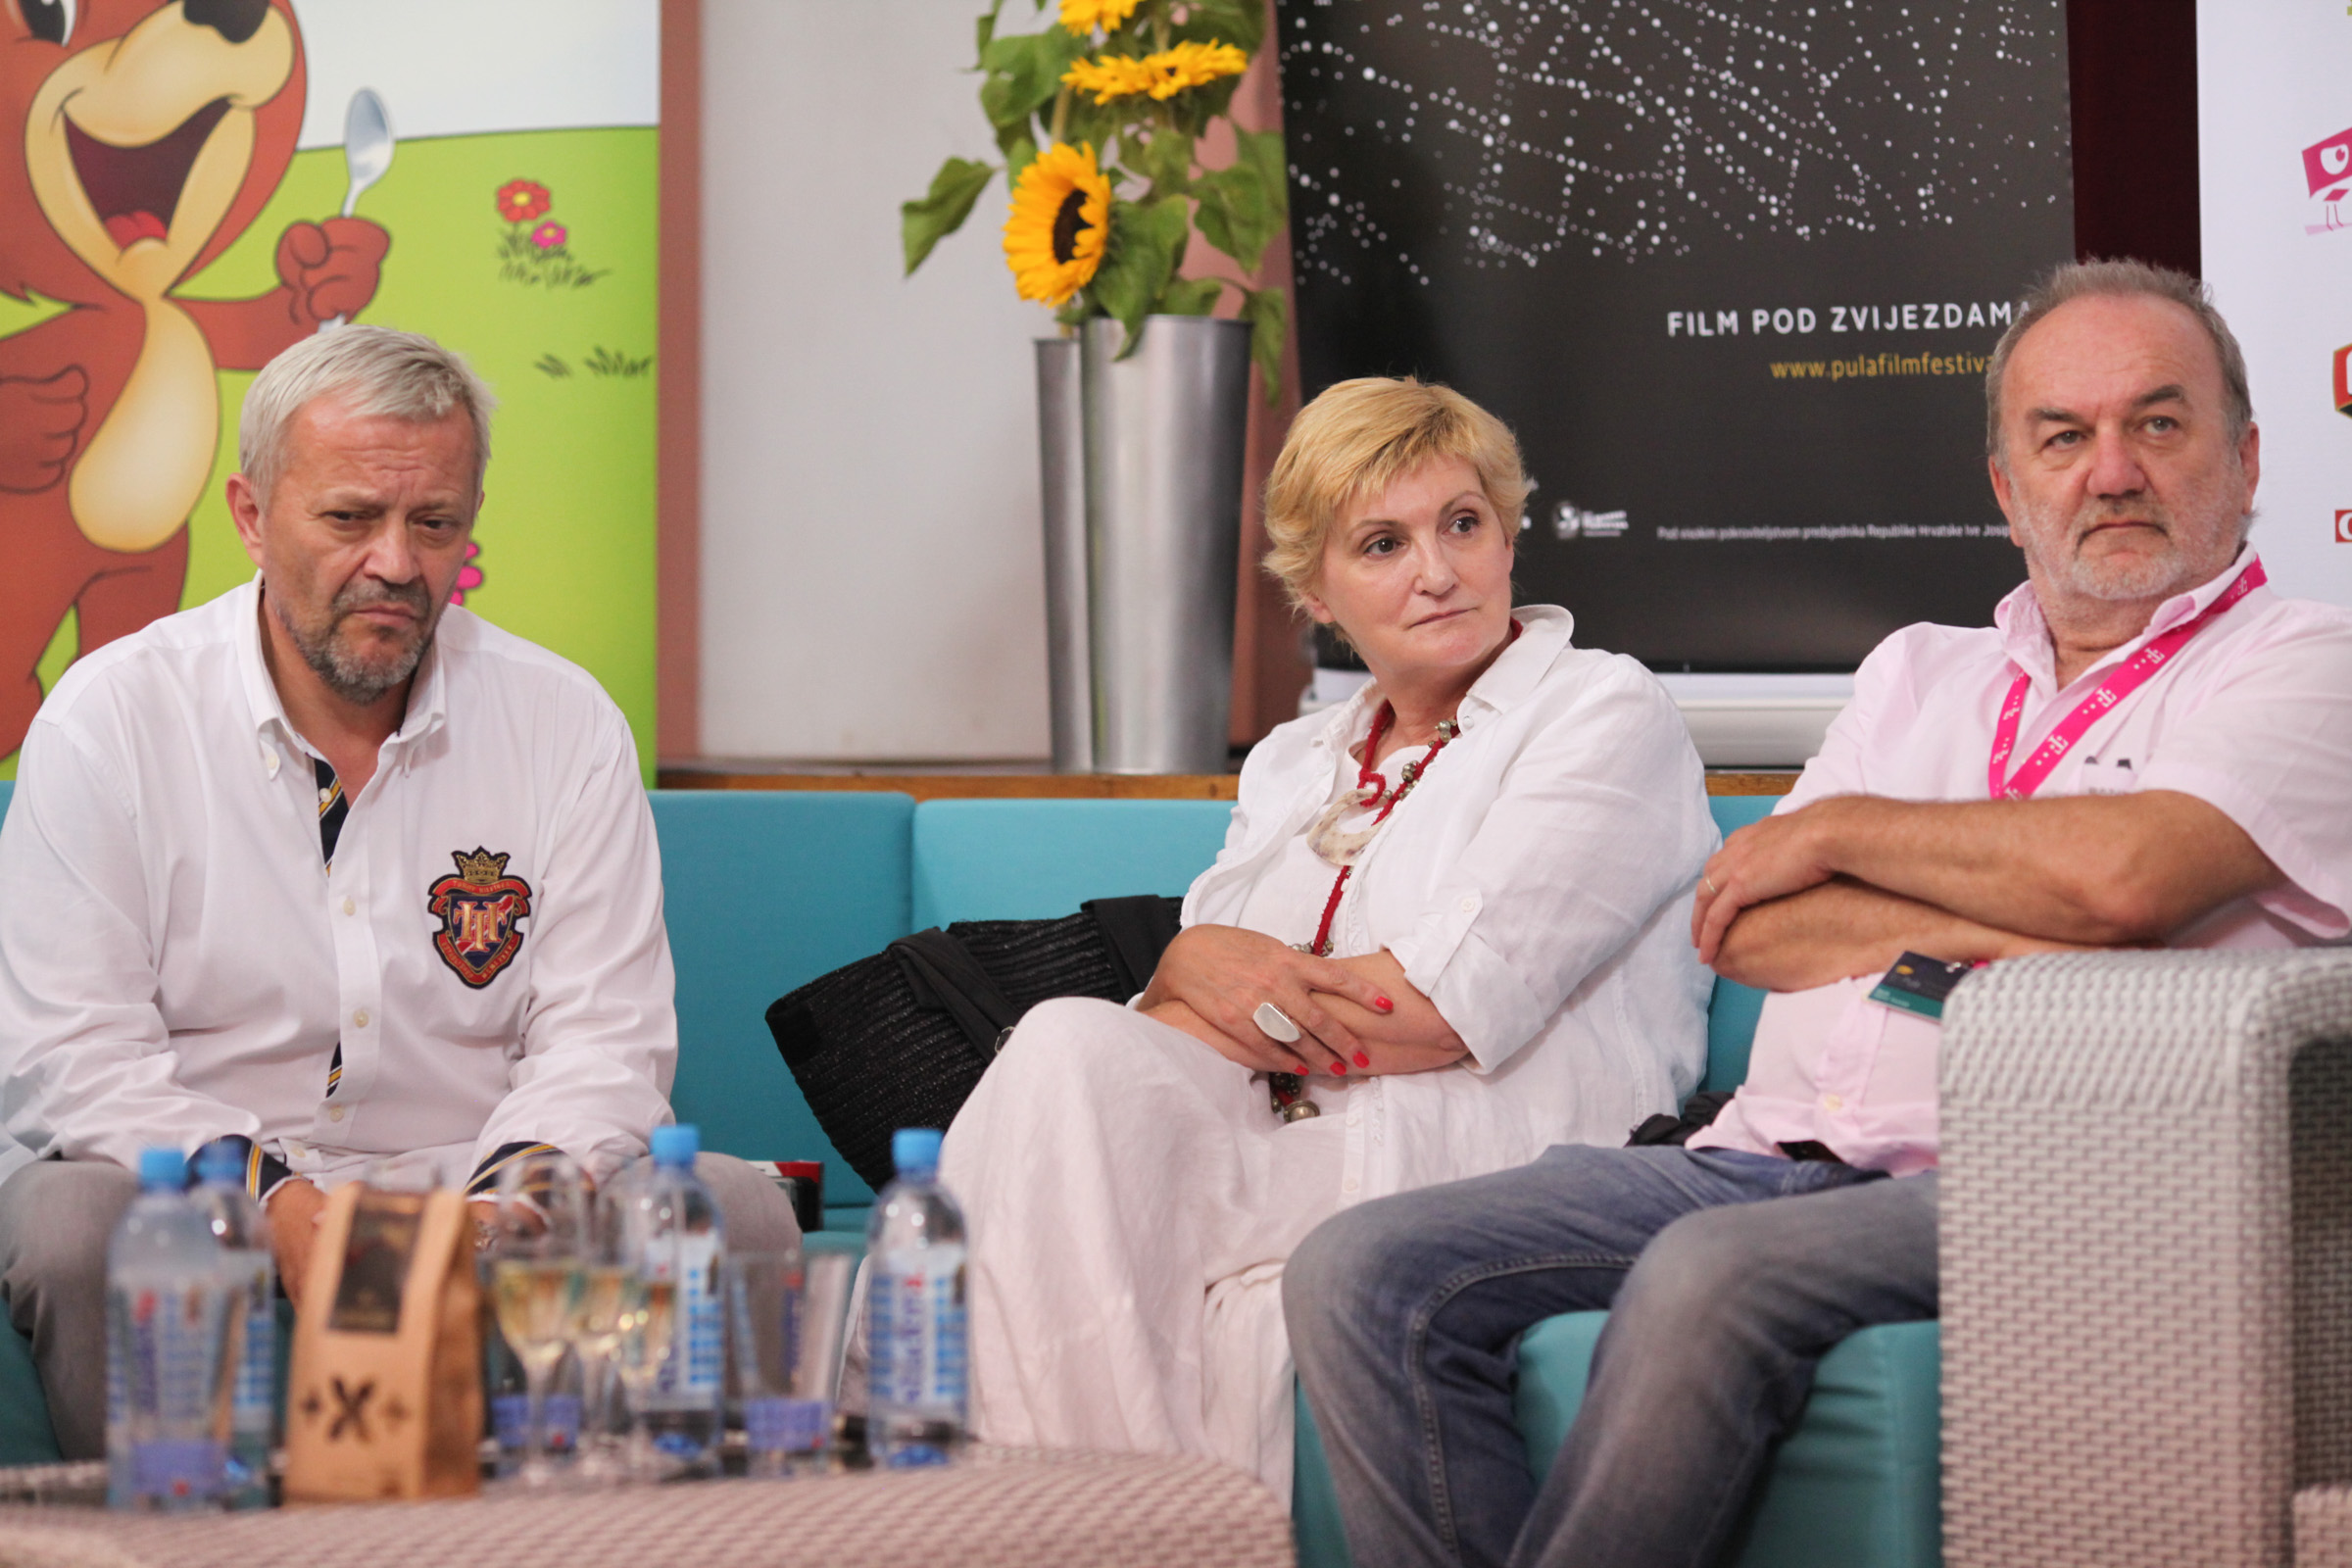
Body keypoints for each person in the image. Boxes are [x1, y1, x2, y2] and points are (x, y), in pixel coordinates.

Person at [1282, 258, 2352, 1568]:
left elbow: (2127, 876)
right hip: (1759, 1152)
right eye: (2063, 437)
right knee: (1357, 1269)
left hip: (2056, 1180)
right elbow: (1749, 926)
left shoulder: (2307, 663)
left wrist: (1847, 839)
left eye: (2159, 423)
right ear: (2008, 487)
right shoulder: (1920, 672)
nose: (2112, 470)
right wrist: (2049, 922)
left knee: (1709, 1273)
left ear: (2246, 458)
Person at [0, 325, 795, 1458]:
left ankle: (602, 1532)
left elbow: (603, 1041)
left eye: (434, 523)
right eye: (349, 518)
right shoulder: (111, 720)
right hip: (203, 1181)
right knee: (75, 1220)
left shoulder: (563, 722)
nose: (396, 563)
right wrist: (277, 1200)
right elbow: (74, 1057)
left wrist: (509, 1202)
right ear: (250, 515)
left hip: (474, 1181)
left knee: (735, 1207)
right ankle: (160, 1531)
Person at [935, 377, 1718, 1495]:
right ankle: (1086, 1517)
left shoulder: (1602, 711)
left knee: (1061, 1132)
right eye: (1384, 543)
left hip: (1491, 1150)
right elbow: (1183, 1011)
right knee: (1065, 1046)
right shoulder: (1292, 760)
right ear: (1316, 590)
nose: (1437, 571)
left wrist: (1202, 970)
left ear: (1507, 536)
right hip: (1283, 1132)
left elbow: (1437, 1013)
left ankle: (1065, 1516)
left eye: (1463, 523)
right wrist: (1184, 969)